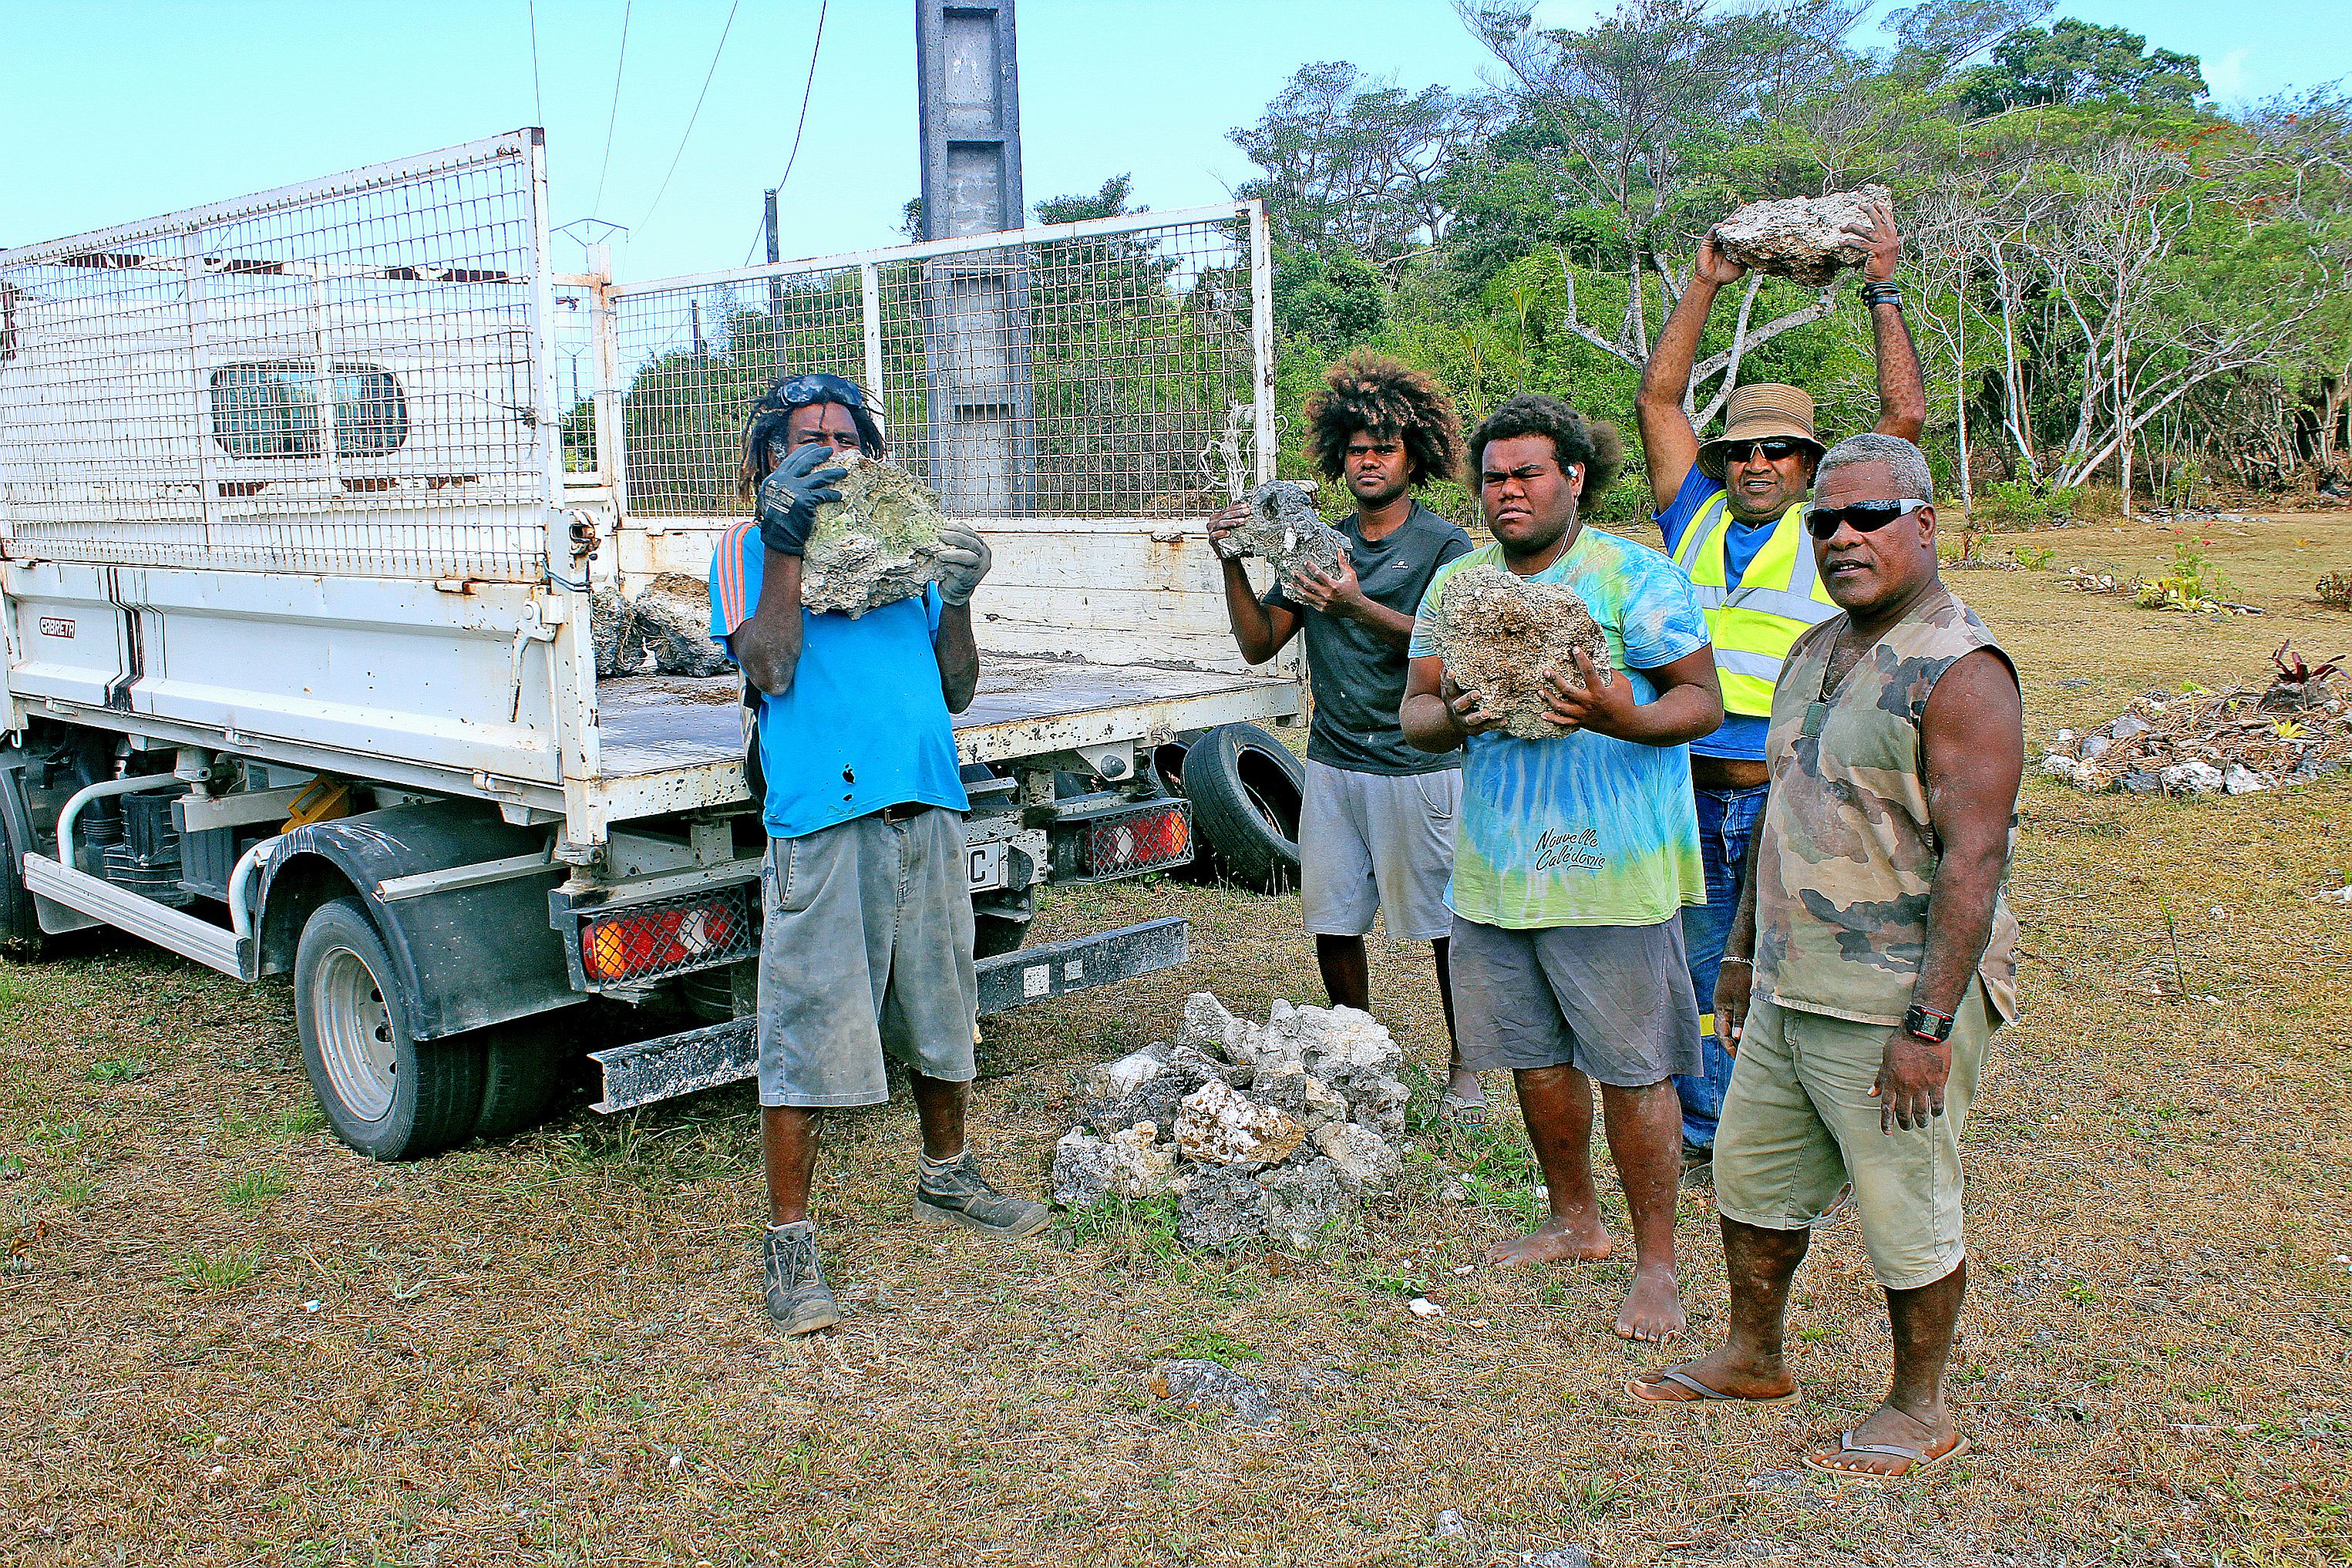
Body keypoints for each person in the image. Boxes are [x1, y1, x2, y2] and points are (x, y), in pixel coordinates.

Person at [1630, 434, 2024, 1486]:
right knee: (1751, 1179)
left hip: (1894, 998)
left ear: (1923, 524)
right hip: (1791, 983)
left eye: (1868, 517)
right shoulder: (1813, 650)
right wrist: (1741, 955)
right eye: (1823, 522)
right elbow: (1782, 811)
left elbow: (1972, 859)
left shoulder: (1959, 668)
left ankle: (1918, 1404)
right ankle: (1752, 1355)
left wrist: (1927, 1026)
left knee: (1904, 1203)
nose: (1841, 537)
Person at [709, 372, 1048, 1335]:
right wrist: (783, 540)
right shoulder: (746, 547)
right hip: (823, 817)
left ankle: (949, 1175)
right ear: (771, 460)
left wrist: (960, 596)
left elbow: (957, 691)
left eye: (845, 437)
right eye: (805, 439)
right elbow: (770, 665)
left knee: (944, 1003)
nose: (829, 452)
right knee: (807, 1029)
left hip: (926, 801)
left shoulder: (907, 546)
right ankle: (791, 1242)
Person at [1400, 394, 1724, 1342]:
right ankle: (1574, 1221)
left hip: (1612, 871)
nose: (1508, 493)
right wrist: (1456, 715)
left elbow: (1700, 702)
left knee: (1636, 1071)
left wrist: (1620, 715)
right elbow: (1415, 717)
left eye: (1528, 475)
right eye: (1494, 478)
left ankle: (1656, 1264)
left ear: (1574, 478)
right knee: (1535, 1062)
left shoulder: (1635, 578)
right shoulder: (1458, 589)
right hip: (1501, 871)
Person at [1634, 200, 1924, 1169]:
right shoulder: (1696, 520)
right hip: (1686, 792)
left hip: (1788, 798)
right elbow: (1660, 403)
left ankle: (1817, 1134)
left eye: (1780, 451)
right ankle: (1715, 1136)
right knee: (1699, 965)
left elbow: (1905, 421)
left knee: (1804, 975)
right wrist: (1706, 283)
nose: (1759, 463)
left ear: (1809, 465)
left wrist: (1882, 287)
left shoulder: (1837, 533)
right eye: (1746, 449)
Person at [1207, 355, 1481, 1118]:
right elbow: (1262, 642)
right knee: (1332, 918)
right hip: (1332, 761)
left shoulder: (1442, 547)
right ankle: (1355, 1044)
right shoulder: (1313, 544)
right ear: (1339, 458)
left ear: (1412, 456)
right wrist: (1230, 561)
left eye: (1384, 448)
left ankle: (1467, 1064)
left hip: (1419, 763)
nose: (1368, 460)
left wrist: (1358, 608)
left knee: (1444, 928)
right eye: (1357, 449)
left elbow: (1454, 646)